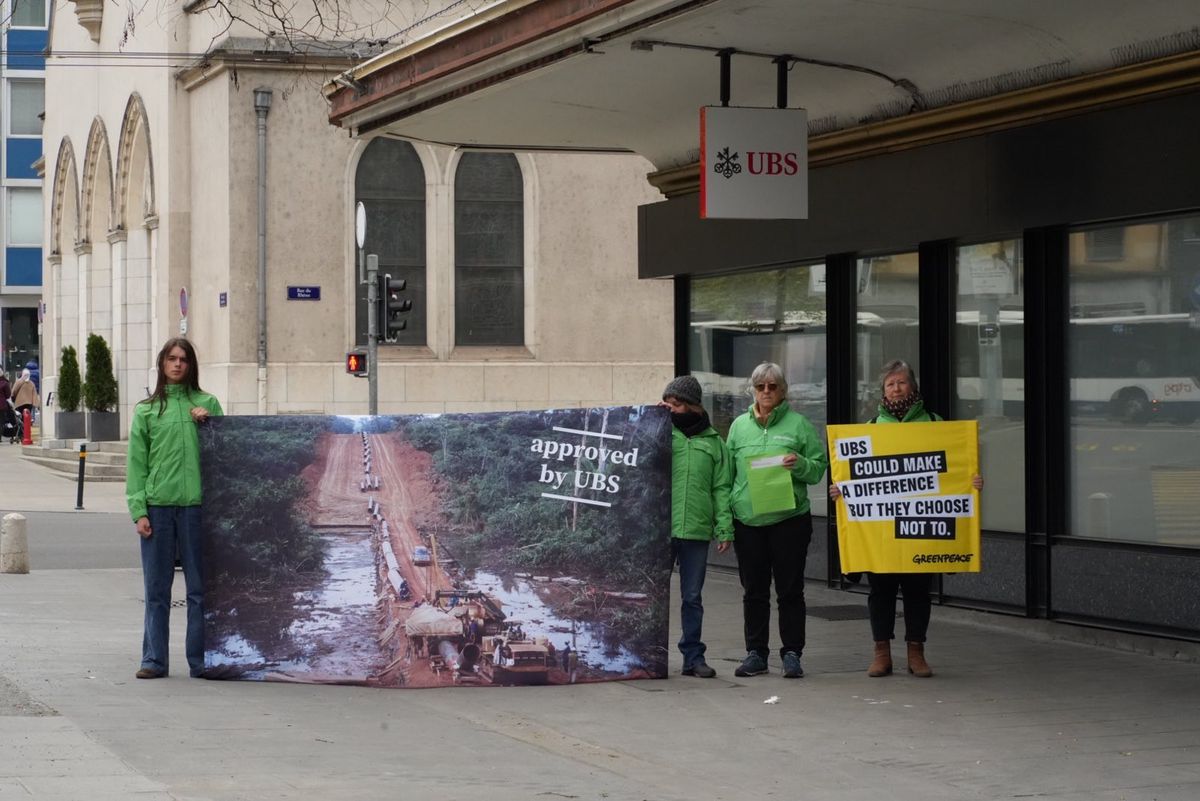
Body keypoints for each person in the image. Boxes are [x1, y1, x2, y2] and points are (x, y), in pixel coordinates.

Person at [830, 359, 983, 678]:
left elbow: (952, 472)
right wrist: (841, 491)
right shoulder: (870, 429)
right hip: (882, 532)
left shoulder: (935, 424)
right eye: (890, 384)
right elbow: (857, 477)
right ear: (882, 391)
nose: (896, 388)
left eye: (901, 382)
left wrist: (972, 482)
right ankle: (881, 652)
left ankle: (916, 652)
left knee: (917, 592)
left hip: (919, 528)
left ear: (912, 386)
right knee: (881, 592)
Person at [126, 338, 223, 679]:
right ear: (162, 364)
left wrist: (209, 424)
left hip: (197, 510)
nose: (178, 364)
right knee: (156, 590)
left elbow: (223, 454)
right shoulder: (147, 410)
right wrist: (139, 510)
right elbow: (136, 465)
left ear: (191, 365)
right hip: (158, 509)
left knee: (199, 590)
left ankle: (201, 661)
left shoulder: (207, 404)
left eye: (183, 359)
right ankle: (154, 660)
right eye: (172, 358)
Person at [726, 362, 828, 678]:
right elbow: (726, 477)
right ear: (753, 391)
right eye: (761, 387)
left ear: (783, 391)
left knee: (790, 591)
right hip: (748, 522)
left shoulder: (799, 425)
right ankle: (756, 653)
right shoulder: (738, 427)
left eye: (773, 386)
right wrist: (725, 520)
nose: (766, 391)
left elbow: (818, 468)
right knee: (753, 591)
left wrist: (799, 464)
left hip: (790, 521)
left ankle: (792, 653)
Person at [660, 375, 733, 678]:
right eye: (667, 404)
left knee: (692, 597)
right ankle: (647, 655)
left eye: (676, 404)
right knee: (653, 594)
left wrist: (725, 528)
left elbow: (722, 488)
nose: (671, 409)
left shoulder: (715, 442)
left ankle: (693, 657)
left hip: (697, 530)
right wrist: (650, 419)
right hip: (661, 528)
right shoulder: (661, 433)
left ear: (692, 406)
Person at [11, 368, 39, 434]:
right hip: (29, 404)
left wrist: (13, 398)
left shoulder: (19, 381)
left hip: (19, 403)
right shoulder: (31, 383)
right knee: (26, 419)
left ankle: (20, 433)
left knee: (19, 420)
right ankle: (26, 433)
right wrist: (35, 403)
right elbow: (34, 394)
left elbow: (14, 391)